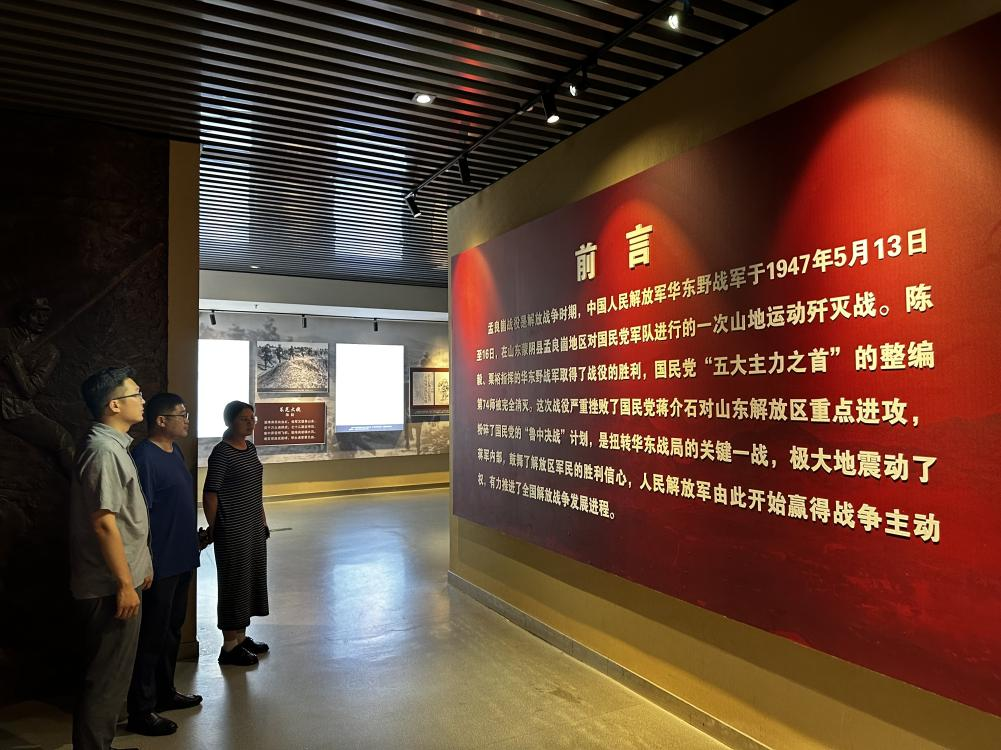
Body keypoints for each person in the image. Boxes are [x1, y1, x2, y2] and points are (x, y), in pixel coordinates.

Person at [69, 366, 152, 750]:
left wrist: (141, 564)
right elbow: (104, 523)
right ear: (114, 404)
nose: (142, 400)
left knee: (113, 676)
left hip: (119, 579)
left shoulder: (114, 446)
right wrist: (124, 583)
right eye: (136, 394)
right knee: (106, 679)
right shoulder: (103, 451)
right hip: (108, 586)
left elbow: (124, 518)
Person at [125, 393, 203, 736]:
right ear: (161, 420)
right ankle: (141, 709)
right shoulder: (144, 456)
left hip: (182, 557)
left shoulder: (175, 451)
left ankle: (165, 692)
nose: (187, 420)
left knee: (172, 629)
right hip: (160, 562)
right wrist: (146, 561)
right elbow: (139, 515)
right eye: (181, 415)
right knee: (152, 635)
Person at [203, 400, 270, 666]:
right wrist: (216, 528)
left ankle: (241, 638)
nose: (251, 423)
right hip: (232, 529)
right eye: (244, 419)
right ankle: (229, 646)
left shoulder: (250, 448)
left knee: (249, 580)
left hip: (252, 526)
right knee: (233, 583)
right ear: (230, 421)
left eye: (253, 418)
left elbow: (256, 490)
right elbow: (210, 494)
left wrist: (263, 522)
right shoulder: (221, 453)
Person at [0, 296, 76, 476]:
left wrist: (15, 367)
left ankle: (83, 487)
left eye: (45, 315)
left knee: (63, 439)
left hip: (15, 408)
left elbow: (29, 391)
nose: (42, 319)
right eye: (36, 314)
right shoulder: (3, 336)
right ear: (23, 316)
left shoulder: (49, 352)